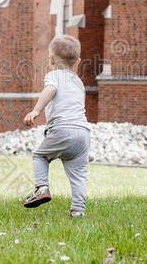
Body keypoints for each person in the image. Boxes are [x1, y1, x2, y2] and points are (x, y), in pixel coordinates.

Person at [22, 35, 90, 218]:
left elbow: (50, 90)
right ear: (78, 62)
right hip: (83, 133)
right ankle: (78, 210)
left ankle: (42, 188)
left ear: (51, 60)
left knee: (40, 156)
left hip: (62, 129)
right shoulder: (79, 82)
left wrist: (36, 110)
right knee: (79, 174)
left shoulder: (54, 76)